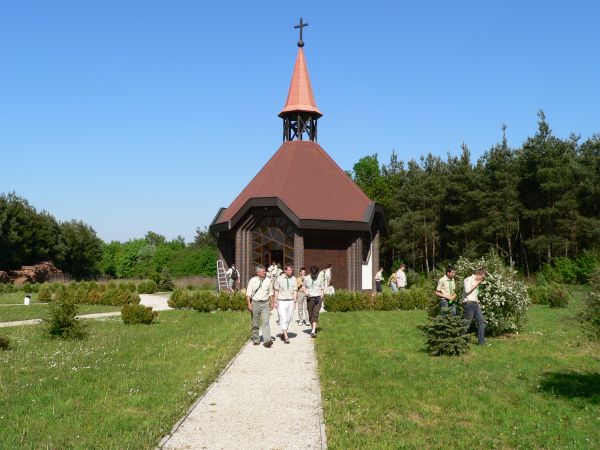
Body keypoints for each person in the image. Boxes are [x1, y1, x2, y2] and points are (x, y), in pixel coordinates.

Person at [246, 265, 275, 347]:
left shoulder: (268, 281)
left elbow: (270, 293)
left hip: (265, 303)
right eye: (263, 271)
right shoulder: (252, 280)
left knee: (266, 322)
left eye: (265, 271)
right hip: (255, 303)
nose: (265, 272)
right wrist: (249, 304)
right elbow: (248, 294)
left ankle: (267, 341)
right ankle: (256, 339)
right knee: (255, 323)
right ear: (258, 273)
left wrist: (272, 303)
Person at [463, 268, 487, 345]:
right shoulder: (468, 279)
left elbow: (474, 294)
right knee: (467, 324)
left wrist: (477, 300)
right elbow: (467, 291)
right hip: (469, 303)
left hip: (475, 304)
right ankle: (459, 341)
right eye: (482, 277)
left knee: (482, 322)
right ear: (479, 275)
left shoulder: (476, 281)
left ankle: (482, 343)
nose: (483, 279)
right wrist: (477, 284)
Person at [274, 265, 298, 344]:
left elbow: (295, 291)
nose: (291, 271)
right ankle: (286, 336)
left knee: (289, 318)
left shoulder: (294, 279)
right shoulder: (279, 279)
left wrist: (294, 302)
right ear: (285, 270)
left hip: (290, 301)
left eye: (292, 270)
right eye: (290, 270)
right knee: (283, 318)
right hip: (281, 301)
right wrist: (275, 301)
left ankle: (284, 333)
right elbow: (276, 290)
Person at [304, 265, 325, 338]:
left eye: (315, 274)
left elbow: (322, 289)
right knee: (310, 315)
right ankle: (313, 327)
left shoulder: (320, 278)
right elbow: (304, 287)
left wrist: (321, 298)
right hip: (310, 298)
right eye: (313, 274)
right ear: (310, 273)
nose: (314, 275)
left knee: (315, 314)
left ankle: (313, 331)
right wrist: (305, 292)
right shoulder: (306, 278)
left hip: (317, 298)